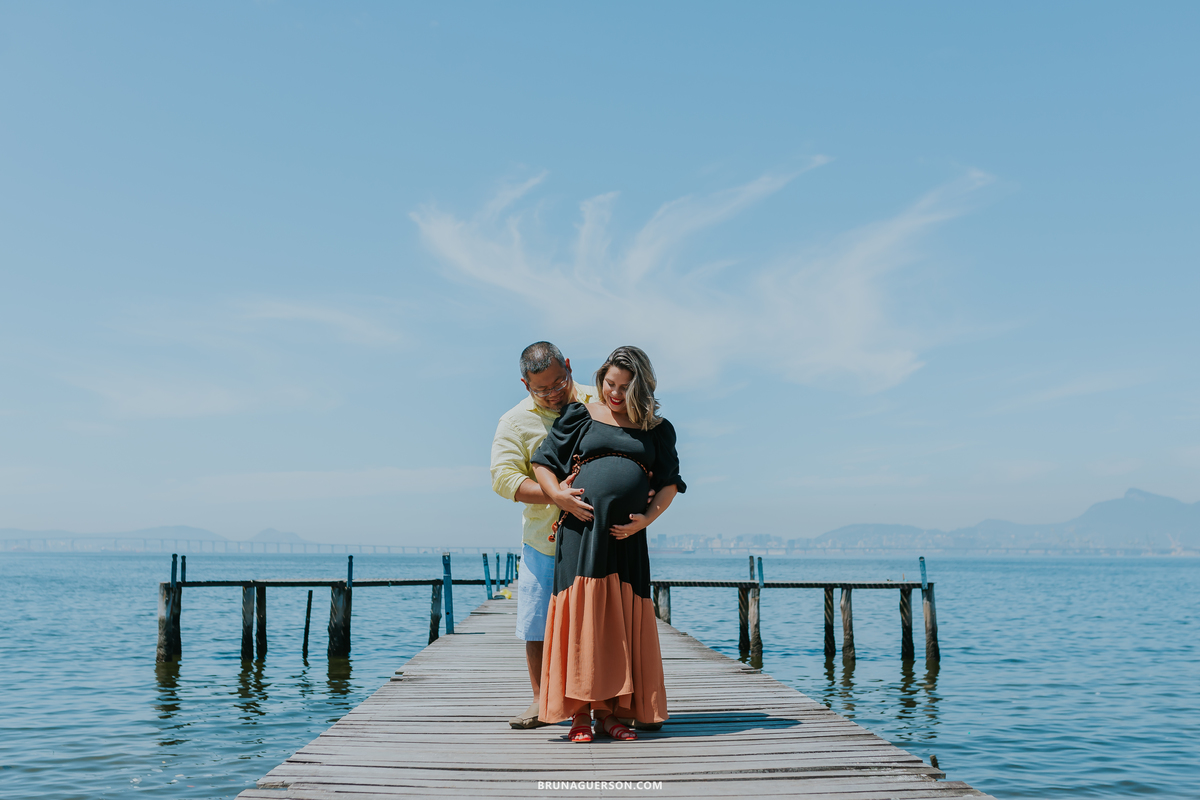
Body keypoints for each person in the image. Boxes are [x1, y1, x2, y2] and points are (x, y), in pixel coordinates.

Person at [531, 345, 684, 743]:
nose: (614, 394)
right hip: (581, 535)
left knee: (618, 624)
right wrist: (559, 497)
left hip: (626, 539)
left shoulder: (657, 429)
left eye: (624, 387)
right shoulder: (580, 415)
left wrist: (647, 521)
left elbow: (669, 483)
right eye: (609, 384)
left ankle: (610, 713)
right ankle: (580, 714)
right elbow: (543, 462)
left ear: (642, 388)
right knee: (584, 620)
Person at [490, 341, 600, 729]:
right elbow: (503, 480)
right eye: (542, 389)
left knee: (597, 621)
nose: (554, 393)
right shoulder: (514, 422)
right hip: (544, 539)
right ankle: (541, 700)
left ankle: (606, 703)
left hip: (595, 537)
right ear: (525, 384)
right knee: (537, 623)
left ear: (569, 366)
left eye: (560, 381)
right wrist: (555, 494)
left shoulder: (599, 398)